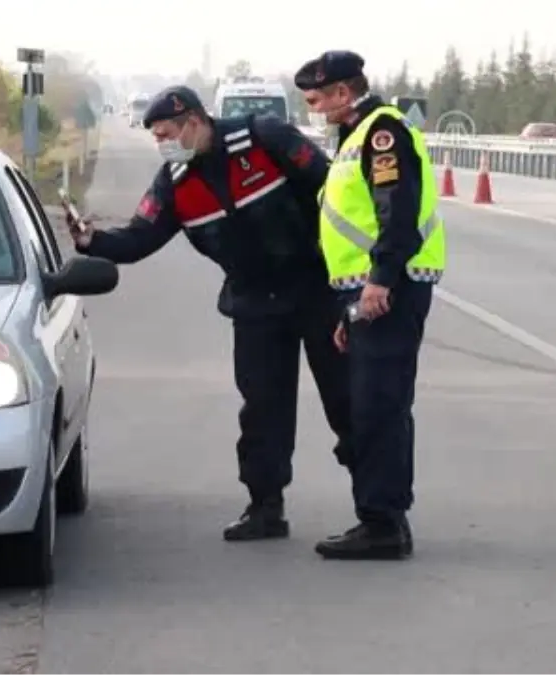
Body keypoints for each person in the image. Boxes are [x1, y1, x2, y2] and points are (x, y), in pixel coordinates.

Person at [65, 85, 353, 542]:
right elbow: (141, 236)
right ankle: (265, 509)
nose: (163, 143)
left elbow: (337, 189)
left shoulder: (263, 140)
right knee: (262, 413)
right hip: (255, 304)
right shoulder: (175, 182)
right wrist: (92, 242)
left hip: (318, 291)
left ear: (195, 122)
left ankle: (379, 515)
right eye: (156, 135)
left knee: (350, 401)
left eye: (167, 133)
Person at [293, 51, 446, 560]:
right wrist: (348, 307)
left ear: (342, 92)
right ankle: (386, 519)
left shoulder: (382, 133)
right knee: (376, 404)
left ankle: (381, 524)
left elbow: (395, 211)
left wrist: (379, 280)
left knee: (378, 406)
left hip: (390, 289)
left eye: (316, 99)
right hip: (367, 293)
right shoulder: (355, 137)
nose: (313, 108)